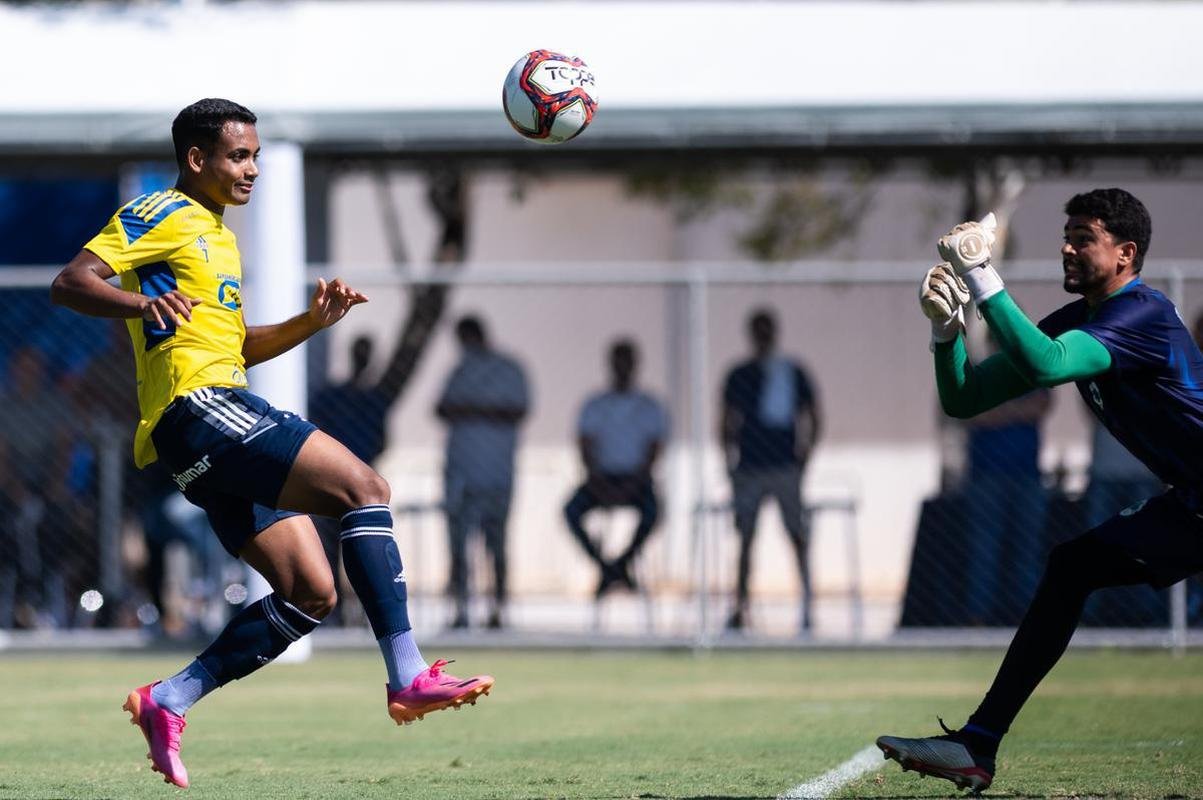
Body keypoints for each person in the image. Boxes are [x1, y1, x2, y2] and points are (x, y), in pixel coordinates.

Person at [49, 98, 493, 789]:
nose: (252, 168)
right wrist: (141, 303)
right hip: (198, 410)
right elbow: (70, 281)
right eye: (238, 156)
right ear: (196, 159)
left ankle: (168, 700)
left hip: (200, 425)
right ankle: (407, 675)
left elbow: (234, 343)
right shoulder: (161, 212)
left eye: (254, 155)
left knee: (310, 592)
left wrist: (310, 324)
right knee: (365, 491)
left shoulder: (219, 237)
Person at [878, 188, 1203, 793]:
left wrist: (980, 275)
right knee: (1071, 566)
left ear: (1126, 254)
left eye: (1084, 237)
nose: (1068, 247)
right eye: (1068, 235)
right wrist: (946, 335)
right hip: (1192, 503)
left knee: (1070, 566)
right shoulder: (1080, 320)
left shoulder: (1143, 312)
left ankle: (978, 742)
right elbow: (966, 400)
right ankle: (977, 745)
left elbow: (1050, 365)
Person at [719, 308, 821, 632]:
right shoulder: (740, 374)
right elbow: (727, 421)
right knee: (746, 539)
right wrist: (729, 464)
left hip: (784, 466)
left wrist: (803, 458)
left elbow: (813, 415)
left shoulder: (791, 371)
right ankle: (740, 607)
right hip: (749, 467)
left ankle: (807, 607)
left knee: (796, 535)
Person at [436, 315, 529, 629]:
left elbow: (518, 410)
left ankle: (498, 610)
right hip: (462, 473)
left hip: (496, 472)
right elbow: (442, 408)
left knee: (497, 544)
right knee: (459, 546)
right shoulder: (460, 371)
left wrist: (474, 408)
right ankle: (462, 610)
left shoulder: (508, 368)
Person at [563, 339, 669, 598]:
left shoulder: (649, 406)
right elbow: (586, 448)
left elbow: (653, 452)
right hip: (601, 478)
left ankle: (620, 565)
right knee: (571, 511)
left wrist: (632, 484)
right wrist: (600, 484)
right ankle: (606, 568)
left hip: (637, 480)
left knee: (653, 511)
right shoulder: (595, 404)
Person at [960, 381, 1052, 626]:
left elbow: (1040, 406)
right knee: (984, 547)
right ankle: (978, 616)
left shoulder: (1032, 372)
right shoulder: (978, 373)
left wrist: (1000, 410)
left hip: (1027, 473)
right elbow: (970, 413)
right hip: (986, 474)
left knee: (1028, 548)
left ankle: (1027, 615)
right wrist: (1017, 411)